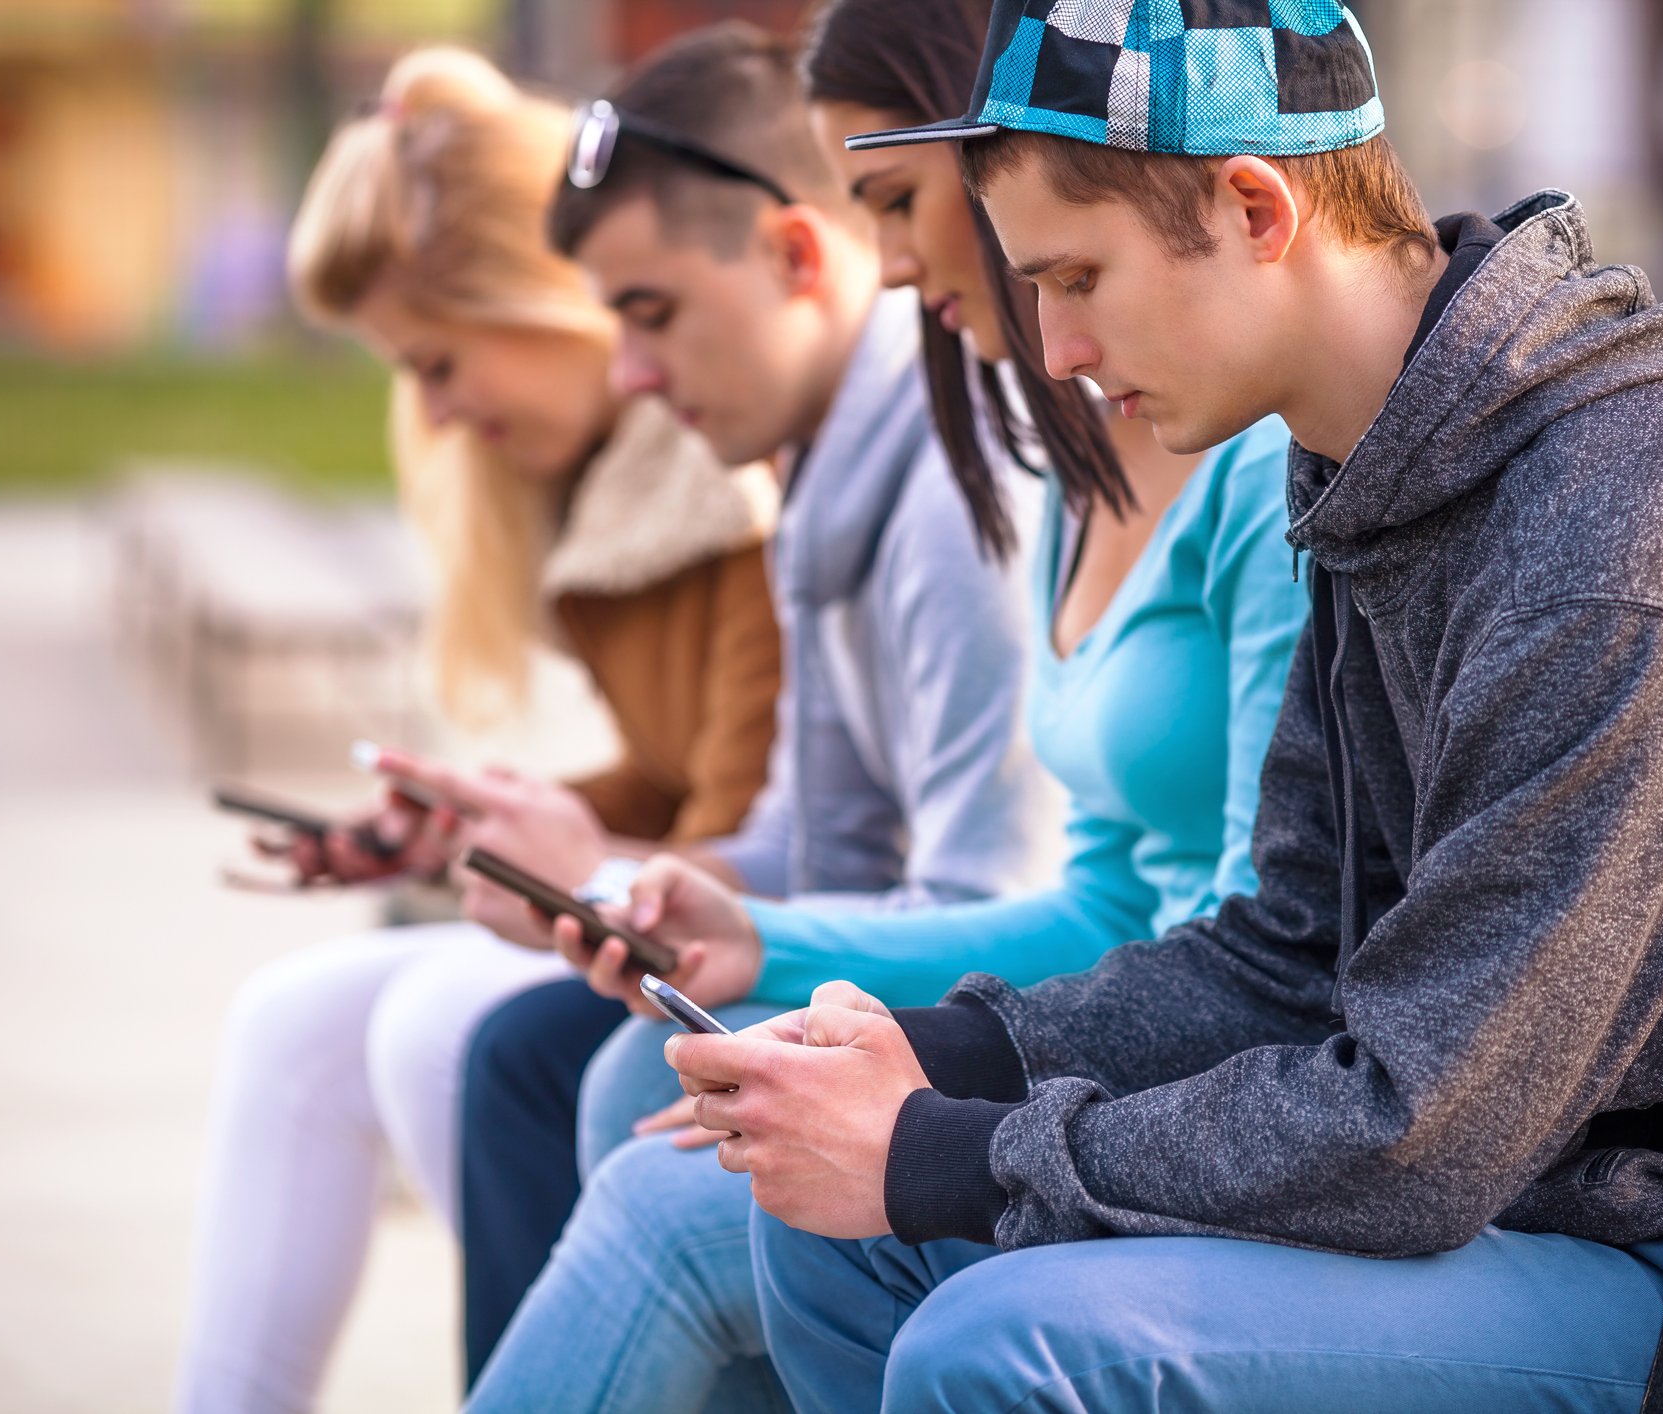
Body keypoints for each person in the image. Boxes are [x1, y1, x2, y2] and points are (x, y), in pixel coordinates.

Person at [673, 3, 1663, 1409]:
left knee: (1004, 1343)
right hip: (1537, 1185)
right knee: (836, 1245)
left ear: (1251, 206)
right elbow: (1290, 953)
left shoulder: (1621, 550)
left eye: (1077, 275)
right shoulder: (1383, 477)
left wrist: (944, 1150)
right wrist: (938, 1052)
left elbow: (1420, 1127)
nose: (1049, 349)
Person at [458, 1, 1306, 1407]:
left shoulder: (1250, 458)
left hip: (1199, 1092)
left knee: (677, 1196)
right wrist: (760, 941)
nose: (892, 259)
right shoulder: (1077, 460)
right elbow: (1098, 899)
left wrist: (915, 1096)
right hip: (1114, 1026)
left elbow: (1262, 950)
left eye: (900, 198)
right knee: (645, 1098)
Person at [428, 21, 1062, 1388]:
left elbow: (995, 896)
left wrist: (630, 882)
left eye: (650, 313)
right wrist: (629, 886)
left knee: (626, 1116)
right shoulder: (830, 476)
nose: (635, 377)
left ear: (792, 254)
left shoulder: (966, 495)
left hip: (1027, 1055)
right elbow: (799, 833)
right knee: (584, 1067)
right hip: (922, 1015)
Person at [173, 48, 786, 1414]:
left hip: (800, 942)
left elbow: (761, 838)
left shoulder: (721, 480)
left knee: (441, 1025)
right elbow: (677, 775)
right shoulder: (608, 491)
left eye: (438, 359)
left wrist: (567, 852)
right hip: (714, 901)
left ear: (544, 297)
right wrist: (471, 830)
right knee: (295, 1015)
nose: (437, 411)